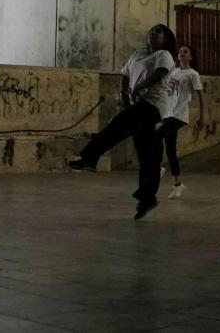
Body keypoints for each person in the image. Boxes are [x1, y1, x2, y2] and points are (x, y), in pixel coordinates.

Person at [68, 24, 177, 220]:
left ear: (165, 39)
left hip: (152, 105)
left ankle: (89, 158)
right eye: (151, 31)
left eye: (158, 32)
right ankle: (147, 197)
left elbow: (159, 73)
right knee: (147, 152)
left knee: (116, 127)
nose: (153, 34)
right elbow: (125, 74)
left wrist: (139, 87)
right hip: (137, 104)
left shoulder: (164, 55)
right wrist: (124, 93)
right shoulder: (138, 54)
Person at [161, 45, 205, 200]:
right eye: (180, 51)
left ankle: (157, 167)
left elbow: (201, 97)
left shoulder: (193, 74)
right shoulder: (173, 71)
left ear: (191, 57)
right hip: (168, 113)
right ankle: (178, 184)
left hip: (179, 115)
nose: (181, 53)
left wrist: (203, 117)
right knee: (171, 150)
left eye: (185, 51)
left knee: (157, 135)